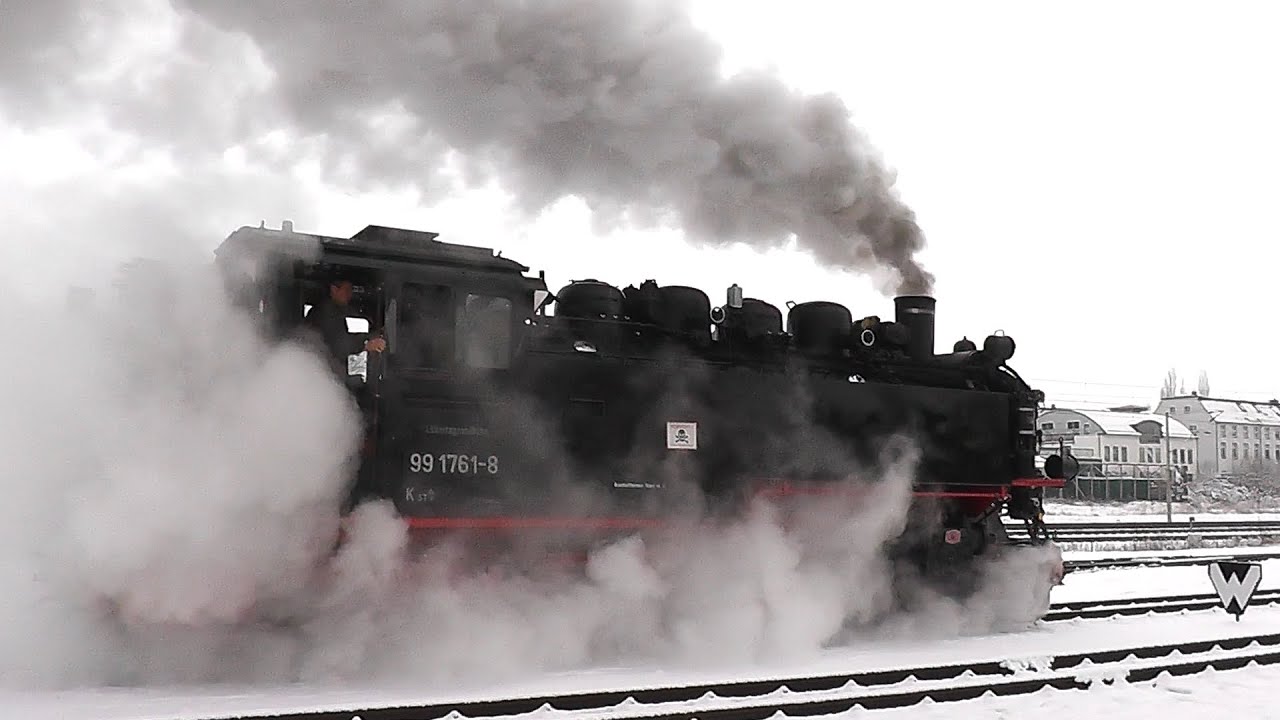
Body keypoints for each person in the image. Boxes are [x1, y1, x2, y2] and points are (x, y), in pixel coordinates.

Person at [301, 278, 386, 381]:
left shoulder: (332, 311)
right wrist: (367, 342)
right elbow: (340, 343)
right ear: (334, 289)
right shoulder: (326, 311)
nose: (349, 295)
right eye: (347, 290)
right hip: (320, 374)